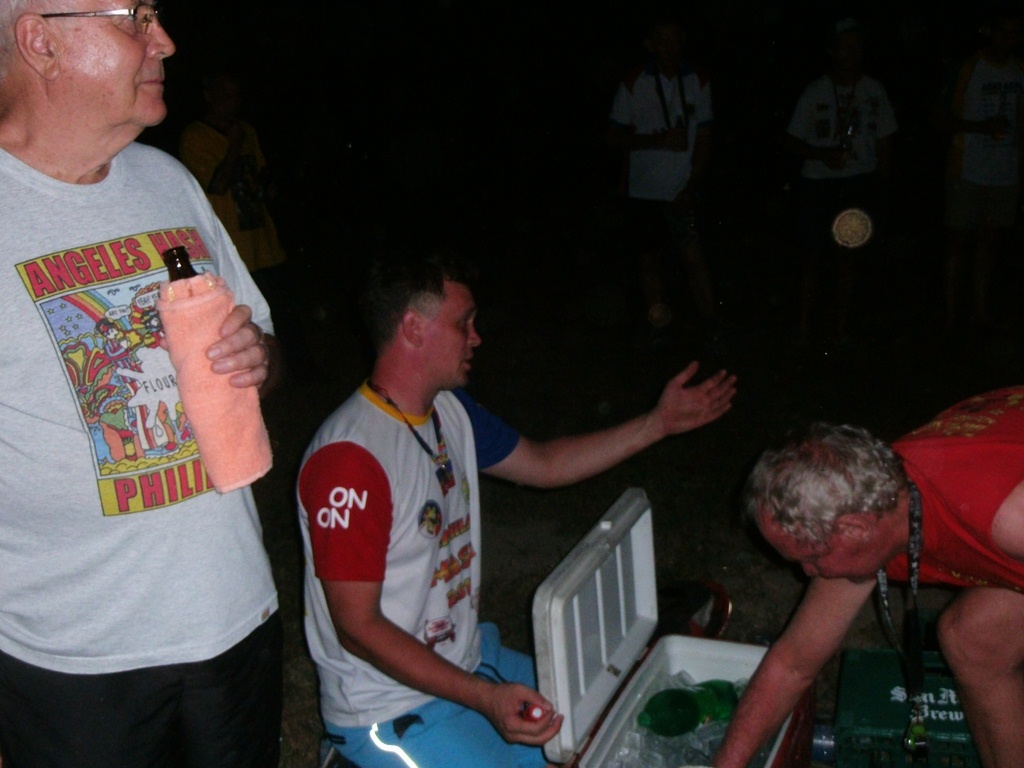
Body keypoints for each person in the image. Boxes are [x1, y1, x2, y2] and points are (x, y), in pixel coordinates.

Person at [297, 250, 737, 768]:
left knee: (604, 727)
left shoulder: (449, 412)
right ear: (413, 328)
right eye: (464, 323)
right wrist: (485, 698)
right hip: (387, 709)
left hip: (465, 662)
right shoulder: (351, 460)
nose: (476, 338)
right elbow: (357, 628)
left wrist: (655, 424)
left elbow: (544, 463)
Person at [0, 3, 283, 766]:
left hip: (237, 622)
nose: (165, 41)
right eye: (133, 17)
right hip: (74, 665)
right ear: (41, 41)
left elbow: (265, 342)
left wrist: (257, 355)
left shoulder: (168, 181)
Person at [711, 388, 1024, 768]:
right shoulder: (875, 504)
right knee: (976, 639)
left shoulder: (1009, 520)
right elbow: (792, 664)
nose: (807, 572)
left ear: (854, 529)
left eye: (811, 558)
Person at [179, 70, 312, 377]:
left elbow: (259, 173)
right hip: (232, 248)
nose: (233, 102)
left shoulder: (247, 130)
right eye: (225, 95)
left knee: (286, 310)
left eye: (236, 96)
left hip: (264, 242)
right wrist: (235, 145)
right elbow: (217, 185)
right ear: (209, 96)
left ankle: (302, 372)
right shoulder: (195, 137)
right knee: (246, 320)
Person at [784, 17, 897, 347]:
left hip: (859, 182)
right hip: (819, 183)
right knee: (812, 257)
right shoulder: (815, 91)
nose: (852, 52)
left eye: (857, 45)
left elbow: (885, 141)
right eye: (845, 45)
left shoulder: (874, 90)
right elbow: (790, 140)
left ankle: (840, 328)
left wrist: (884, 188)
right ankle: (803, 327)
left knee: (849, 258)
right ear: (832, 50)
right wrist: (822, 154)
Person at [608, 13, 717, 335]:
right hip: (643, 191)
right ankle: (659, 330)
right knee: (649, 261)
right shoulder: (634, 81)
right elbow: (612, 137)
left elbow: (705, 139)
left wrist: (693, 184)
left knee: (694, 260)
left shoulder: (698, 80)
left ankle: (712, 329)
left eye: (675, 39)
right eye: (662, 41)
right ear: (650, 44)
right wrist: (658, 141)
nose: (670, 48)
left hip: (682, 189)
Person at [936, 9, 1024, 331]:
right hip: (967, 168)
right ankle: (950, 314)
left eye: (1014, 32)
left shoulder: (1019, 70)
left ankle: (980, 311)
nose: (1007, 39)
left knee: (988, 243)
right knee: (957, 243)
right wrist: (980, 127)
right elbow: (940, 118)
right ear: (988, 32)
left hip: (1004, 171)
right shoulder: (968, 68)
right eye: (1001, 30)